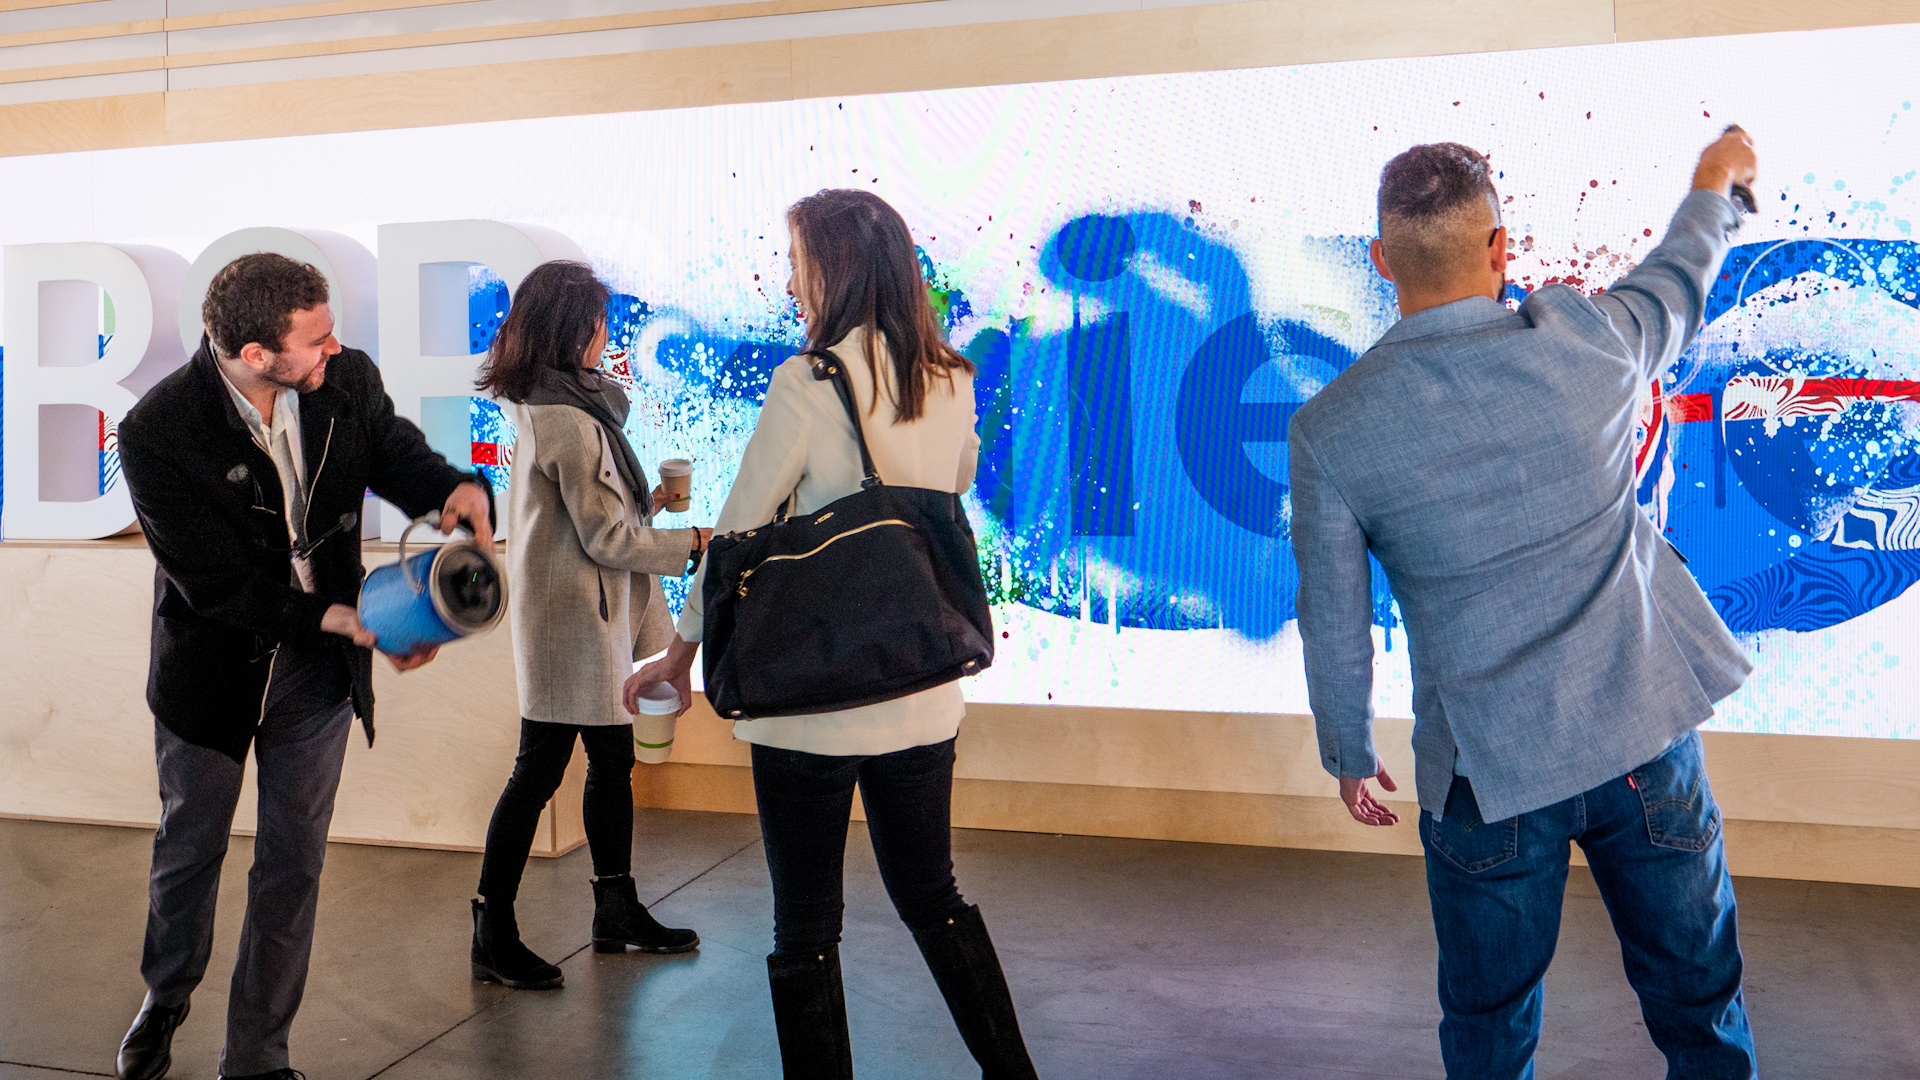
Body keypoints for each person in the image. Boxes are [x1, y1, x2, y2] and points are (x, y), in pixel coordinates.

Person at [1287, 129, 1762, 1079]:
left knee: (1490, 1025)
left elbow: (1332, 616)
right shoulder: (1586, 339)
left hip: (1485, 779)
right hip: (1641, 742)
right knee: (1699, 1003)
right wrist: (1713, 184)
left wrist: (1348, 748)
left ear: (1380, 262)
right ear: (1502, 249)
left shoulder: (1330, 426)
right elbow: (1678, 282)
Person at [624, 189, 1039, 1079]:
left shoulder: (809, 382)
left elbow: (737, 534)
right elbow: (950, 484)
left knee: (804, 927)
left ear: (835, 268)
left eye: (798, 259)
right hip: (924, 689)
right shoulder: (953, 377)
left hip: (810, 700)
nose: (789, 277)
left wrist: (679, 651)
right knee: (935, 896)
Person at [114, 253, 493, 1080]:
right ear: (256, 354)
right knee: (190, 851)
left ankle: (257, 1057)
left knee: (293, 865)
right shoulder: (155, 432)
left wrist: (449, 488)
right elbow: (217, 585)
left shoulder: (344, 378)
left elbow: (389, 450)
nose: (336, 349)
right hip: (213, 674)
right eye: (316, 340)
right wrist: (345, 620)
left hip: (316, 674)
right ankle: (167, 991)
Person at [468, 260, 705, 989]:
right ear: (576, 329)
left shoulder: (570, 405)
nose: (610, 335)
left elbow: (597, 524)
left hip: (584, 614)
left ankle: (616, 909)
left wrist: (654, 507)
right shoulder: (567, 419)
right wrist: (694, 543)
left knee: (608, 763)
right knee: (539, 769)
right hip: (568, 620)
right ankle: (493, 928)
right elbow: (604, 540)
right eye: (601, 322)